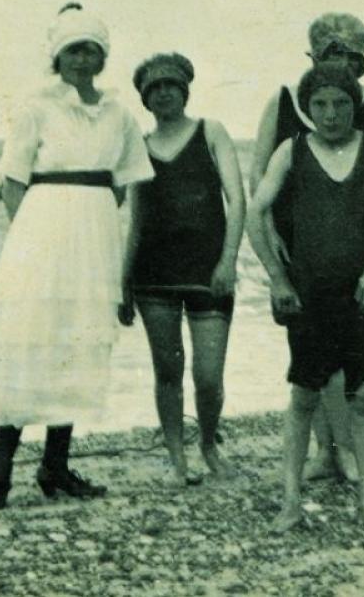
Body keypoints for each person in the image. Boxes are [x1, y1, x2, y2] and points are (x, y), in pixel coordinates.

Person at [0, 4, 154, 511]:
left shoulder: (120, 113)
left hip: (94, 239)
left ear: (103, 56)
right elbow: (12, 185)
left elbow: (125, 186)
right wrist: (34, 244)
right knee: (26, 341)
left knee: (77, 340)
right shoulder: (35, 107)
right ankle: (0, 475)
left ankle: (55, 467)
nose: (83, 58)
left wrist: (96, 230)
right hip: (42, 237)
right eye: (74, 49)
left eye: (92, 49)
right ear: (57, 55)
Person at [248, 12, 364, 482]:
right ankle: (324, 452)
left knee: (350, 354)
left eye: (355, 58)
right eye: (335, 55)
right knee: (308, 355)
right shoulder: (286, 101)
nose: (345, 65)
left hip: (353, 244)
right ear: (314, 55)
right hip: (296, 243)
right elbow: (258, 180)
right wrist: (270, 236)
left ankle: (346, 452)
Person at [127, 53, 246, 485]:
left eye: (170, 86)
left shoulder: (211, 132)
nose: (163, 93)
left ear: (184, 90)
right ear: (145, 98)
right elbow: (136, 218)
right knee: (167, 370)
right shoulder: (138, 145)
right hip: (153, 274)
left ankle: (209, 445)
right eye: (154, 88)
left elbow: (238, 200)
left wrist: (229, 259)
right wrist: (124, 279)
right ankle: (177, 458)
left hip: (208, 269)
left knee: (209, 376)